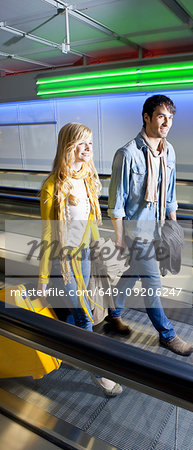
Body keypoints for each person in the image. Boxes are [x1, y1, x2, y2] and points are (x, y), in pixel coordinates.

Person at [38, 122, 122, 396]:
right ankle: (100, 375)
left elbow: (89, 223)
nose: (88, 148)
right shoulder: (53, 186)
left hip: (84, 257)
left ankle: (63, 351)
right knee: (85, 317)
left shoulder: (86, 178)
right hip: (62, 263)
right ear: (68, 146)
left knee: (71, 313)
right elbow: (48, 235)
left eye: (90, 143)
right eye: (82, 143)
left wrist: (100, 248)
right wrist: (41, 279)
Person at [107, 95, 193, 356]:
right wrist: (120, 239)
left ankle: (113, 314)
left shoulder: (170, 151)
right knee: (152, 284)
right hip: (136, 232)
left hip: (157, 230)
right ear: (146, 117)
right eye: (161, 116)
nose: (167, 123)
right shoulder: (127, 154)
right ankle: (167, 335)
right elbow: (116, 201)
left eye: (170, 118)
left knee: (132, 273)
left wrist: (174, 230)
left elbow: (170, 194)